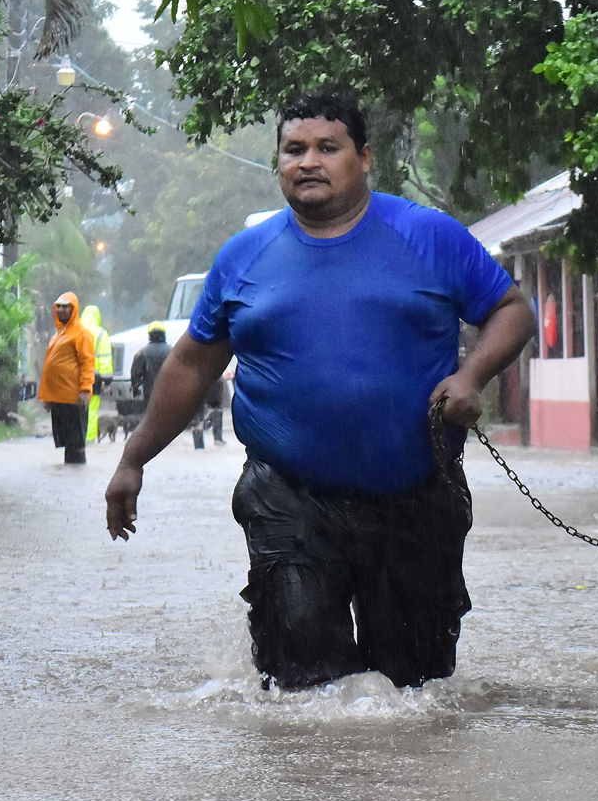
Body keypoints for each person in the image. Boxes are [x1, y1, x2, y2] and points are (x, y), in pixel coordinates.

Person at [105, 88, 534, 690]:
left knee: (413, 689)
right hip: (287, 496)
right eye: (294, 149)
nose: (309, 162)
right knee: (302, 688)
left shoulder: (429, 236)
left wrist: (472, 375)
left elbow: (512, 309)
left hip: (414, 492)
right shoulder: (243, 258)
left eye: (327, 148)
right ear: (278, 163)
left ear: (364, 157)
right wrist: (132, 459)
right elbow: (191, 366)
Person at [39, 291, 95, 464]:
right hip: (59, 399)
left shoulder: (81, 333)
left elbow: (87, 363)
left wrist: (85, 390)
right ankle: (70, 477)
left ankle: (77, 479)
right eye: (58, 306)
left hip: (73, 399)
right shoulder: (59, 335)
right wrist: (48, 397)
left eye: (65, 307)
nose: (60, 310)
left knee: (76, 445)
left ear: (74, 309)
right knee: (66, 444)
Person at [82, 304, 112, 444]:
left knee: (75, 407)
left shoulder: (75, 330)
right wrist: (107, 381)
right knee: (91, 409)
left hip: (75, 376)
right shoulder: (101, 333)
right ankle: (88, 439)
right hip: (95, 377)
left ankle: (75, 438)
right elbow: (105, 358)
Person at [129, 324, 170, 401]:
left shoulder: (142, 352)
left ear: (150, 336)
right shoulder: (171, 351)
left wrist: (135, 386)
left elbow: (135, 372)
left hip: (150, 392)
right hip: (168, 391)